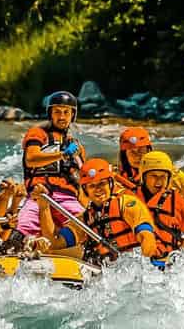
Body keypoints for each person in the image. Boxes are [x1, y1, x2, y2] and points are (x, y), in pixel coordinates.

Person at [36, 158, 158, 265]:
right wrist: (44, 207)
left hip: (133, 265)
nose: (98, 189)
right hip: (106, 272)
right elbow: (55, 243)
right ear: (86, 190)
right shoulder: (85, 219)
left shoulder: (127, 204)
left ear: (111, 184)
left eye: (102, 184)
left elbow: (146, 236)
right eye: (92, 186)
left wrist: (145, 266)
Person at [12, 91, 88, 242]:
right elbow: (31, 159)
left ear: (72, 115)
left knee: (87, 225)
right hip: (38, 196)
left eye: (66, 112)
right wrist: (62, 155)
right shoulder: (38, 133)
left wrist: (86, 208)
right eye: (57, 112)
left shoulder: (77, 147)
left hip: (68, 199)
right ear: (50, 114)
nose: (62, 117)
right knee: (21, 230)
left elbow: (81, 183)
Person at [115, 126, 184, 215]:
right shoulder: (117, 178)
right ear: (124, 155)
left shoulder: (165, 171)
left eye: (141, 151)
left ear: (148, 150)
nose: (138, 157)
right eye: (133, 152)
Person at [136, 150, 184, 265]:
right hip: (137, 262)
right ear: (144, 177)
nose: (159, 181)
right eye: (154, 176)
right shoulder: (129, 199)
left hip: (169, 262)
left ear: (169, 178)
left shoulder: (176, 200)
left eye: (163, 177)